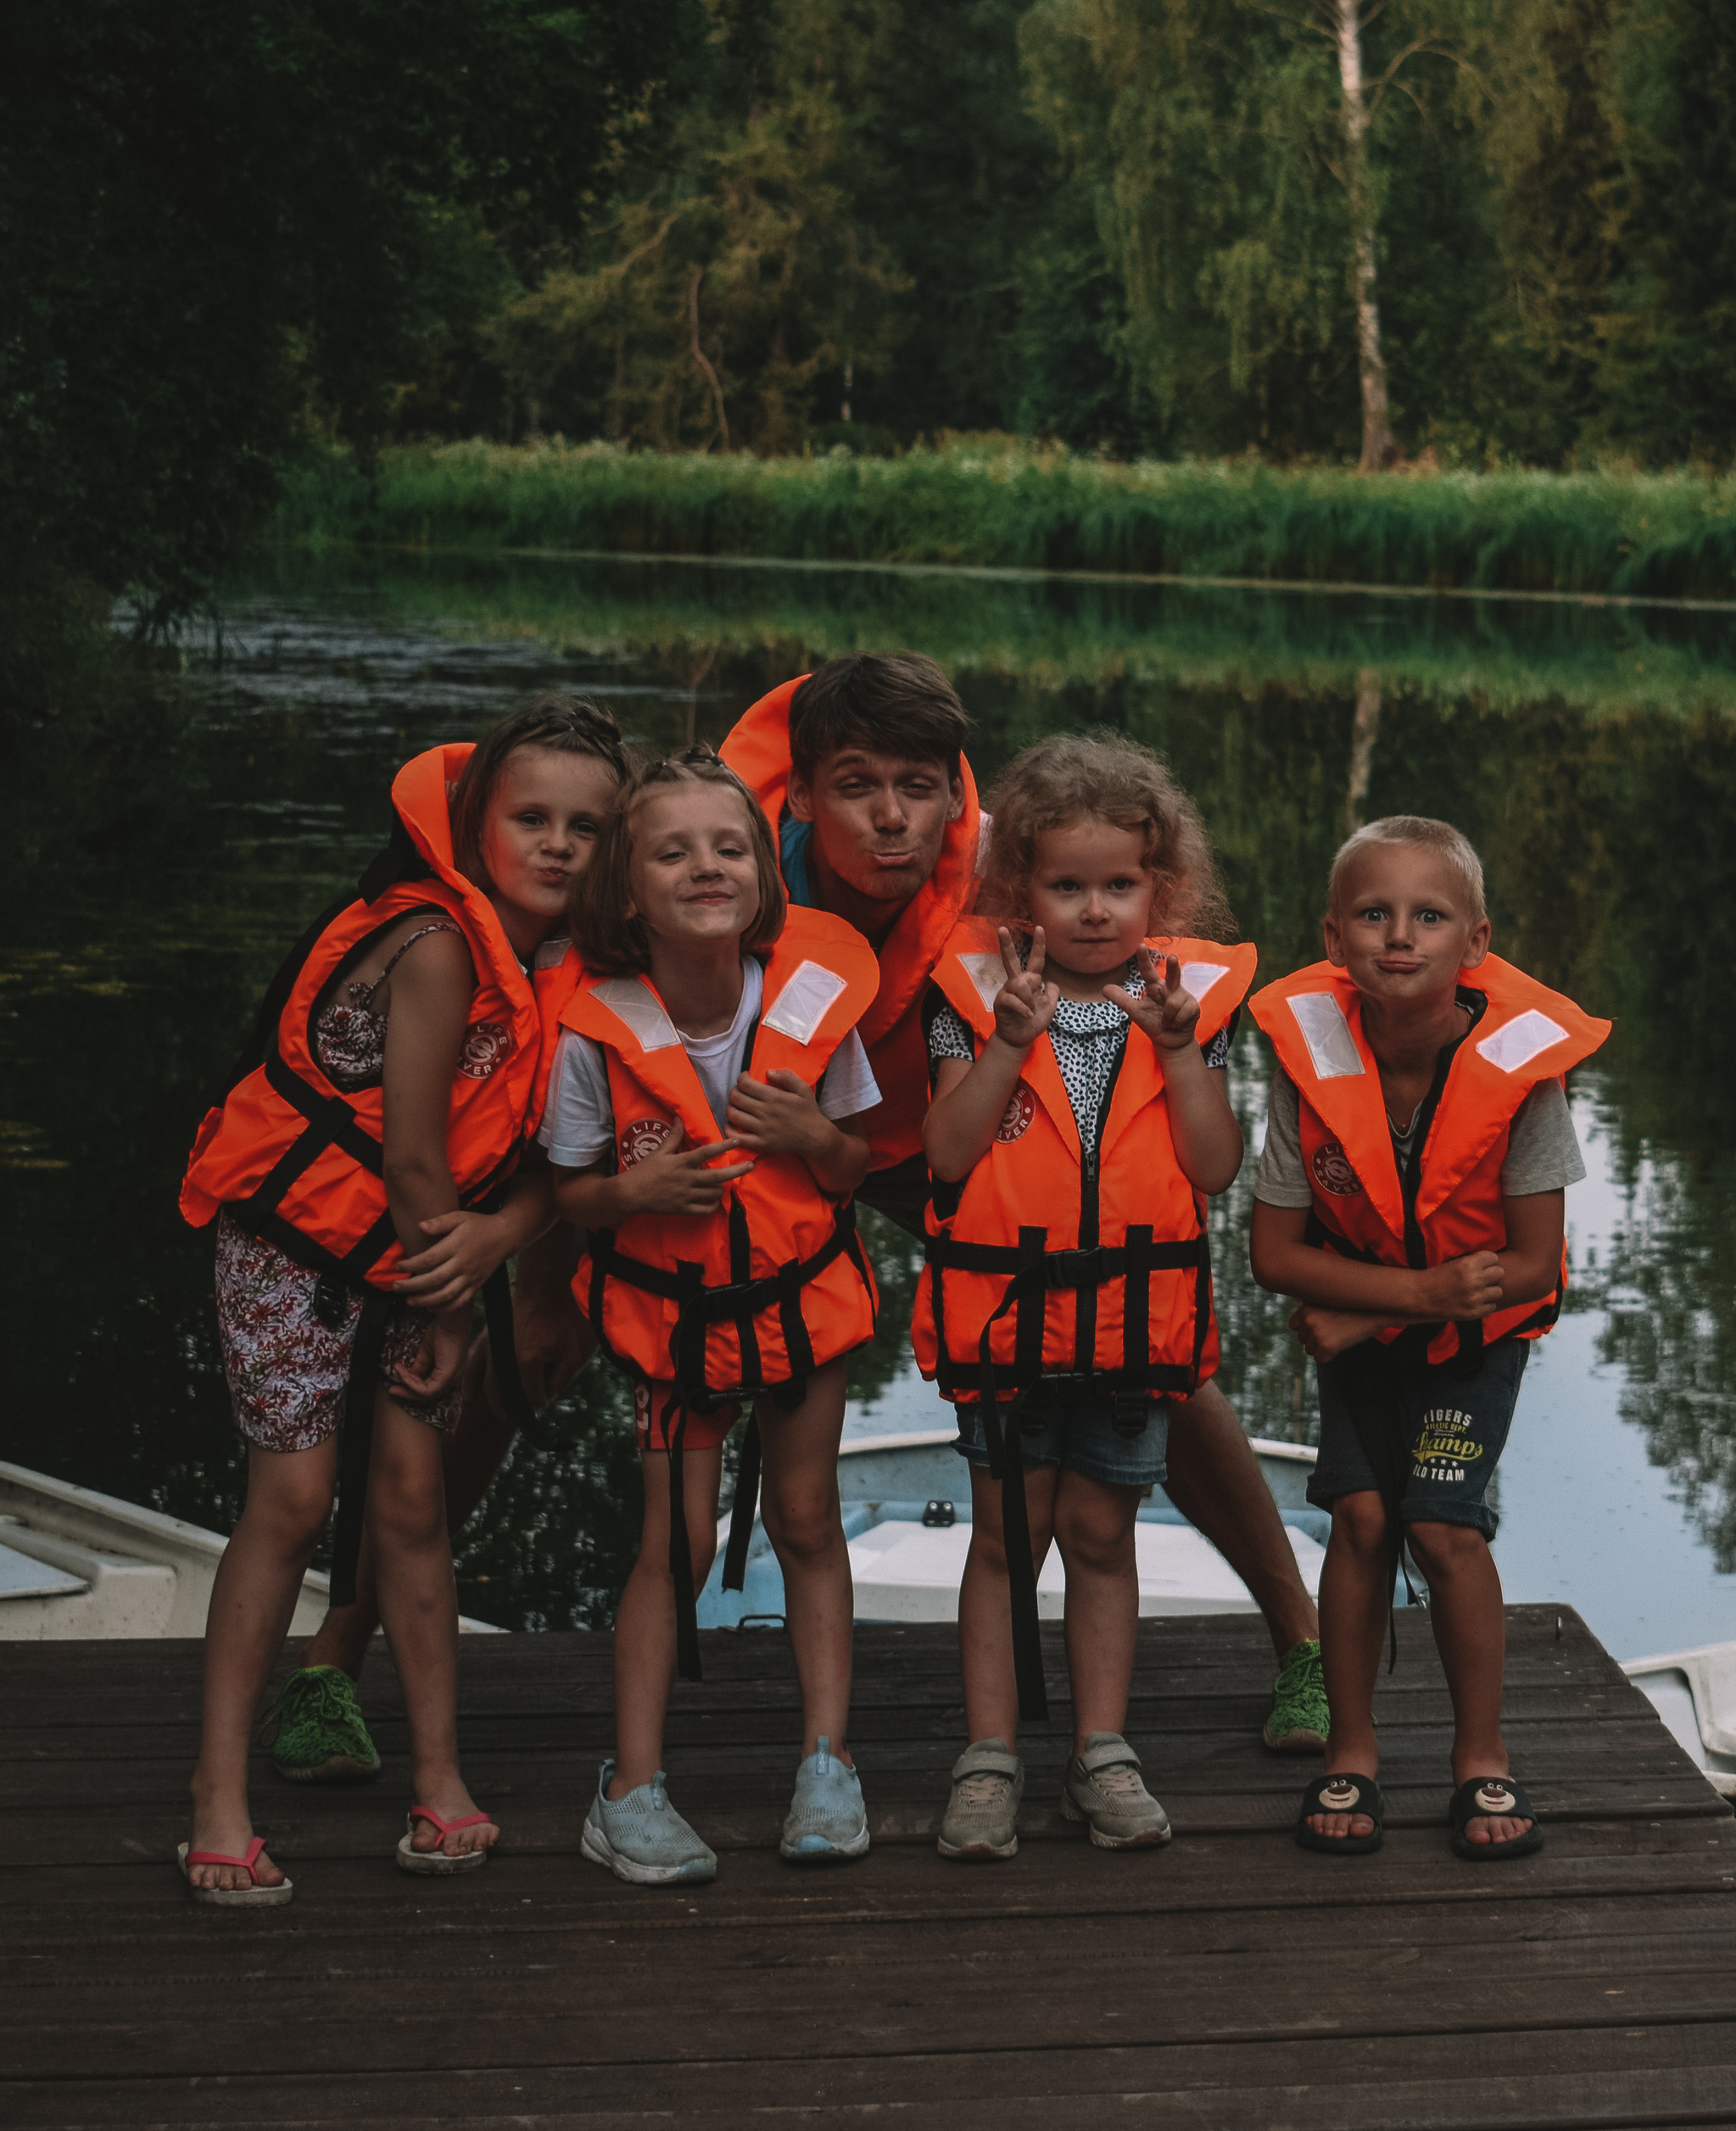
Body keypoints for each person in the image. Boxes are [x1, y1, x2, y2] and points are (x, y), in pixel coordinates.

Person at [723, 657, 1327, 1752]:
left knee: (1157, 1351)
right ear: (806, 794)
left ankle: (1301, 1639)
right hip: (773, 1122)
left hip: (956, 1133)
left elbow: (1207, 1148)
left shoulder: (1025, 858)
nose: (892, 814)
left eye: (921, 784)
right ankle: (345, 1652)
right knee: (595, 1313)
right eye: (857, 785)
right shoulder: (719, 857)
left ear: (959, 796)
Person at [174, 697, 631, 1904]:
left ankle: (440, 1784)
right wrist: (452, 1296)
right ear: (475, 821)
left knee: (414, 1504)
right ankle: (217, 1796)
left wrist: (494, 1244)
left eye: (588, 827)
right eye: (530, 817)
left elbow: (549, 1177)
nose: (559, 846)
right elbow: (418, 1158)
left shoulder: (561, 971)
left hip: (428, 1262)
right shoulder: (435, 941)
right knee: (291, 1500)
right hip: (296, 1253)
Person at [544, 753, 882, 1884]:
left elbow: (850, 1169)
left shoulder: (814, 1006)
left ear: (762, 873)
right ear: (626, 889)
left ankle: (826, 1763)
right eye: (674, 850)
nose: (707, 867)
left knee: (806, 1519)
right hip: (674, 1323)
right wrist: (633, 1197)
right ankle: (629, 1787)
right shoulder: (592, 1032)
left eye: (730, 847)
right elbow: (573, 1191)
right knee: (673, 1545)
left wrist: (809, 1136)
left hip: (798, 1307)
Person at [1248, 816, 1609, 1860]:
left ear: (1475, 942)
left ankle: (1479, 1757)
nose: (1398, 936)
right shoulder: (1304, 1065)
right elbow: (1276, 1255)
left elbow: (1532, 1265)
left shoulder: (1522, 1079)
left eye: (1428, 916)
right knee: (1360, 1520)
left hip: (1475, 1338)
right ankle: (1349, 1751)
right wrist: (1408, 1292)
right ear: (1333, 936)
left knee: (1445, 1528)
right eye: (1373, 913)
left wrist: (1376, 1305)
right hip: (1386, 1318)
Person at [917, 734, 1249, 1858]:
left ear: (1164, 890)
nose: (1096, 910)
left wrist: (1186, 1053)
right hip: (1008, 1323)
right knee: (1004, 1539)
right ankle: (990, 1758)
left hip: (1129, 1332)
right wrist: (1010, 1042)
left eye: (1119, 886)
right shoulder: (971, 1000)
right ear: (1022, 891)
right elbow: (950, 1153)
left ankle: (1101, 1752)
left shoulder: (1183, 1005)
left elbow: (1211, 1169)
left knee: (1104, 1534)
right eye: (1067, 886)